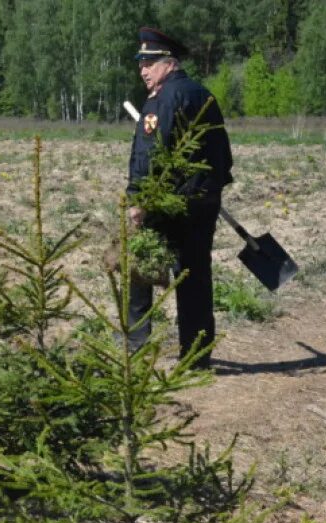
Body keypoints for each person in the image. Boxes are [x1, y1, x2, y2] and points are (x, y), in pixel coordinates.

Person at [126, 27, 233, 370]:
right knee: (194, 277)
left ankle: (135, 342)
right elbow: (223, 157)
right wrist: (207, 190)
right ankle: (196, 355)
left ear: (169, 63)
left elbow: (148, 157)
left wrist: (139, 199)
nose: (142, 69)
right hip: (204, 202)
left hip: (168, 203)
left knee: (141, 266)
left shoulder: (162, 99)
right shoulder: (204, 95)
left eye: (149, 62)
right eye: (140, 62)